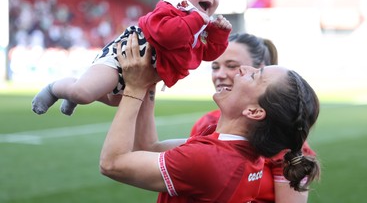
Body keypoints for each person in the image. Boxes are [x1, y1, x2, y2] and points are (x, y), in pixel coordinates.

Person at [99, 33, 320, 202]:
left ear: (254, 111)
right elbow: (148, 147)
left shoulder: (212, 159)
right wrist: (149, 81)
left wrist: (135, 87)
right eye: (216, 65)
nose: (242, 70)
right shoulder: (235, 148)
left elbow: (112, 163)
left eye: (254, 75)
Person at [31, 0, 232, 116]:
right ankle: (57, 88)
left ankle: (75, 90)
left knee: (115, 100)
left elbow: (207, 54)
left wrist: (219, 34)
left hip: (139, 71)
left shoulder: (199, 24)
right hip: (122, 56)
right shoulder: (168, 10)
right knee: (84, 93)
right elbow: (169, 36)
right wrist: (198, 20)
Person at [190, 33, 317, 202]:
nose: (220, 74)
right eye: (215, 67)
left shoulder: (283, 140)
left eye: (232, 66)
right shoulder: (206, 124)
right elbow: (150, 149)